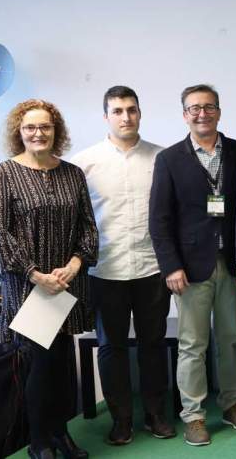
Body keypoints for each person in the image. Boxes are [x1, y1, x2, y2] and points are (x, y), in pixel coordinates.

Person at [149, 84, 236, 446]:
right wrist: (170, 266)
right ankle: (193, 415)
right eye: (194, 108)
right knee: (192, 344)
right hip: (190, 269)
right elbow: (159, 220)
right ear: (184, 115)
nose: (202, 113)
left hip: (233, 263)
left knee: (231, 339)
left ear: (219, 112)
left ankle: (232, 403)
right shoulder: (169, 159)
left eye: (209, 107)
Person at [0, 99, 97, 459]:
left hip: (68, 282)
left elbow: (87, 226)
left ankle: (61, 435)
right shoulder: (4, 173)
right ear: (19, 132)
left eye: (46, 127)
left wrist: (74, 264)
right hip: (29, 286)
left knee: (62, 361)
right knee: (39, 363)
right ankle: (39, 441)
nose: (39, 133)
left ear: (56, 131)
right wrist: (35, 274)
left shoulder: (72, 173)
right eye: (31, 128)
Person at [70, 85, 174, 444]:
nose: (126, 117)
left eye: (131, 109)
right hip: (105, 270)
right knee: (111, 347)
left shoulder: (163, 158)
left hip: (151, 268)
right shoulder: (84, 163)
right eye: (118, 111)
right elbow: (79, 221)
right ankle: (121, 419)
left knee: (153, 344)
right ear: (106, 117)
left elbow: (170, 215)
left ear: (140, 113)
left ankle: (156, 414)